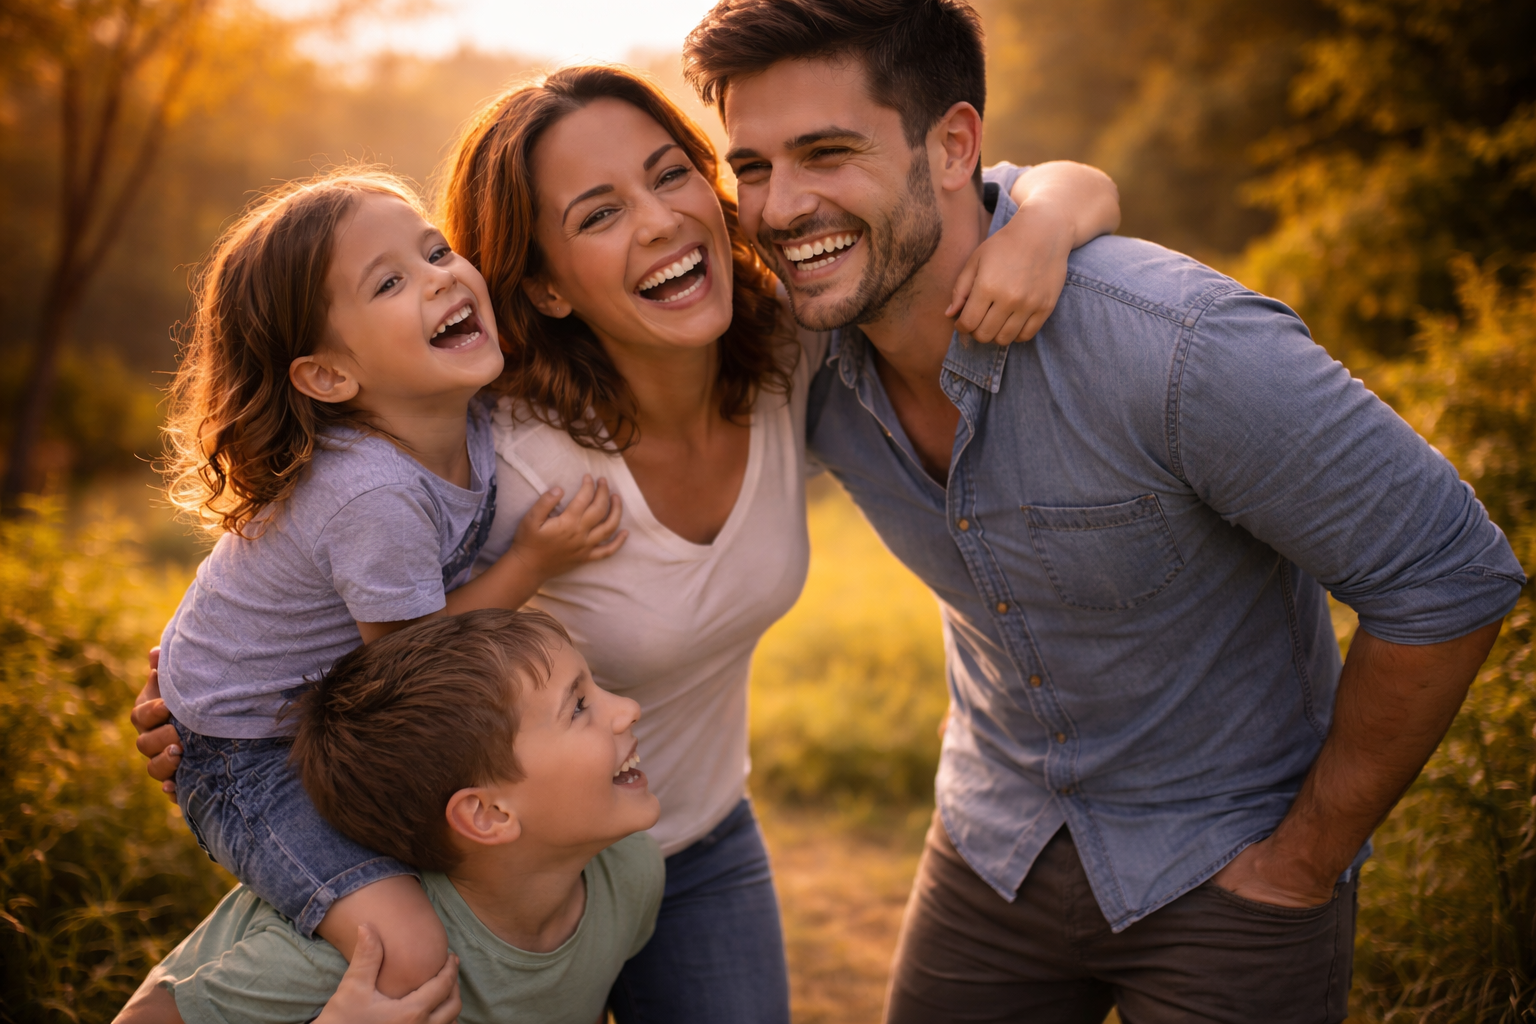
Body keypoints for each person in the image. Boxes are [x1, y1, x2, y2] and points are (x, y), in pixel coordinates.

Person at [134, 66, 1121, 1023]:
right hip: (495, 889)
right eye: (597, 214)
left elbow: (1036, 186)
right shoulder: (503, 451)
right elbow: (348, 611)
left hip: (701, 839)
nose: (657, 221)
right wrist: (210, 702)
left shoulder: (782, 345)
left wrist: (1038, 233)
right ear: (548, 288)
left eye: (670, 172)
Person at [679, 1, 1529, 1022]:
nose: (778, 208)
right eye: (754, 167)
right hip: (993, 842)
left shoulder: (1176, 347)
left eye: (826, 151)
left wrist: (1305, 861)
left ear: (952, 146)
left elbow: (1450, 572)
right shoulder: (802, 356)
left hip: (1226, 868)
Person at [150, 170, 628, 1000]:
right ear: (329, 376)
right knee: (407, 947)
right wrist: (531, 564)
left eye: (436, 249)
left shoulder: (467, 411)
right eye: (390, 281)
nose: (442, 275)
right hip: (245, 749)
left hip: (319, 710)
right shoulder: (372, 493)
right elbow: (407, 661)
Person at [115, 608, 664, 1024]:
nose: (628, 709)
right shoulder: (364, 951)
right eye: (579, 707)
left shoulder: (629, 873)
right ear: (488, 814)